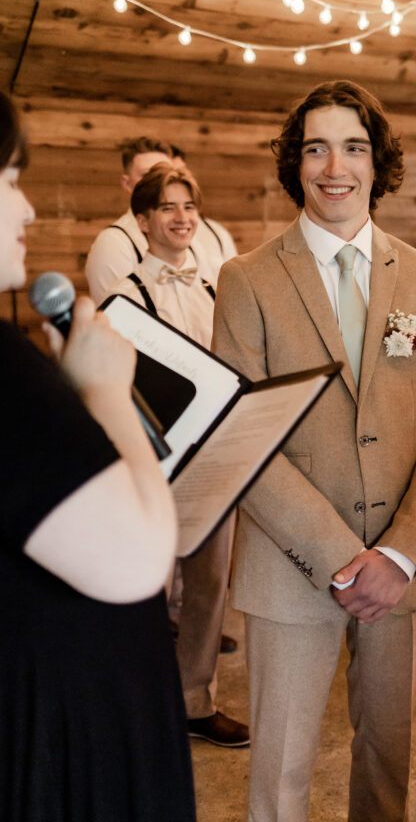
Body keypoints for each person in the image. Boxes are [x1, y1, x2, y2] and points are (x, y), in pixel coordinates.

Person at [212, 79, 416, 822]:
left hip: (403, 569)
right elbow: (240, 433)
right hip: (288, 566)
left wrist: (396, 555)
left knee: (387, 758)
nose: (335, 166)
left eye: (354, 147)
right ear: (295, 163)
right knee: (280, 771)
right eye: (316, 147)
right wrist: (336, 553)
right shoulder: (247, 280)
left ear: (377, 161)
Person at [0, 94, 196, 820]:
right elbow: (138, 559)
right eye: (11, 180)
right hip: (56, 744)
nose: (25, 212)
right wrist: (109, 394)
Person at [106, 163, 248, 749]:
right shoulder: (123, 296)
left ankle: (195, 699)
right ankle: (133, 704)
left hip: (215, 452)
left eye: (188, 206)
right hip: (154, 460)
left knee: (210, 582)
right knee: (146, 585)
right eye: (167, 207)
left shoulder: (220, 283)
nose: (181, 217)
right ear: (142, 220)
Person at [85, 137, 237, 304]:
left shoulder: (189, 240)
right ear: (127, 184)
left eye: (164, 172)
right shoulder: (113, 242)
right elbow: (117, 315)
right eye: (147, 175)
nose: (159, 182)